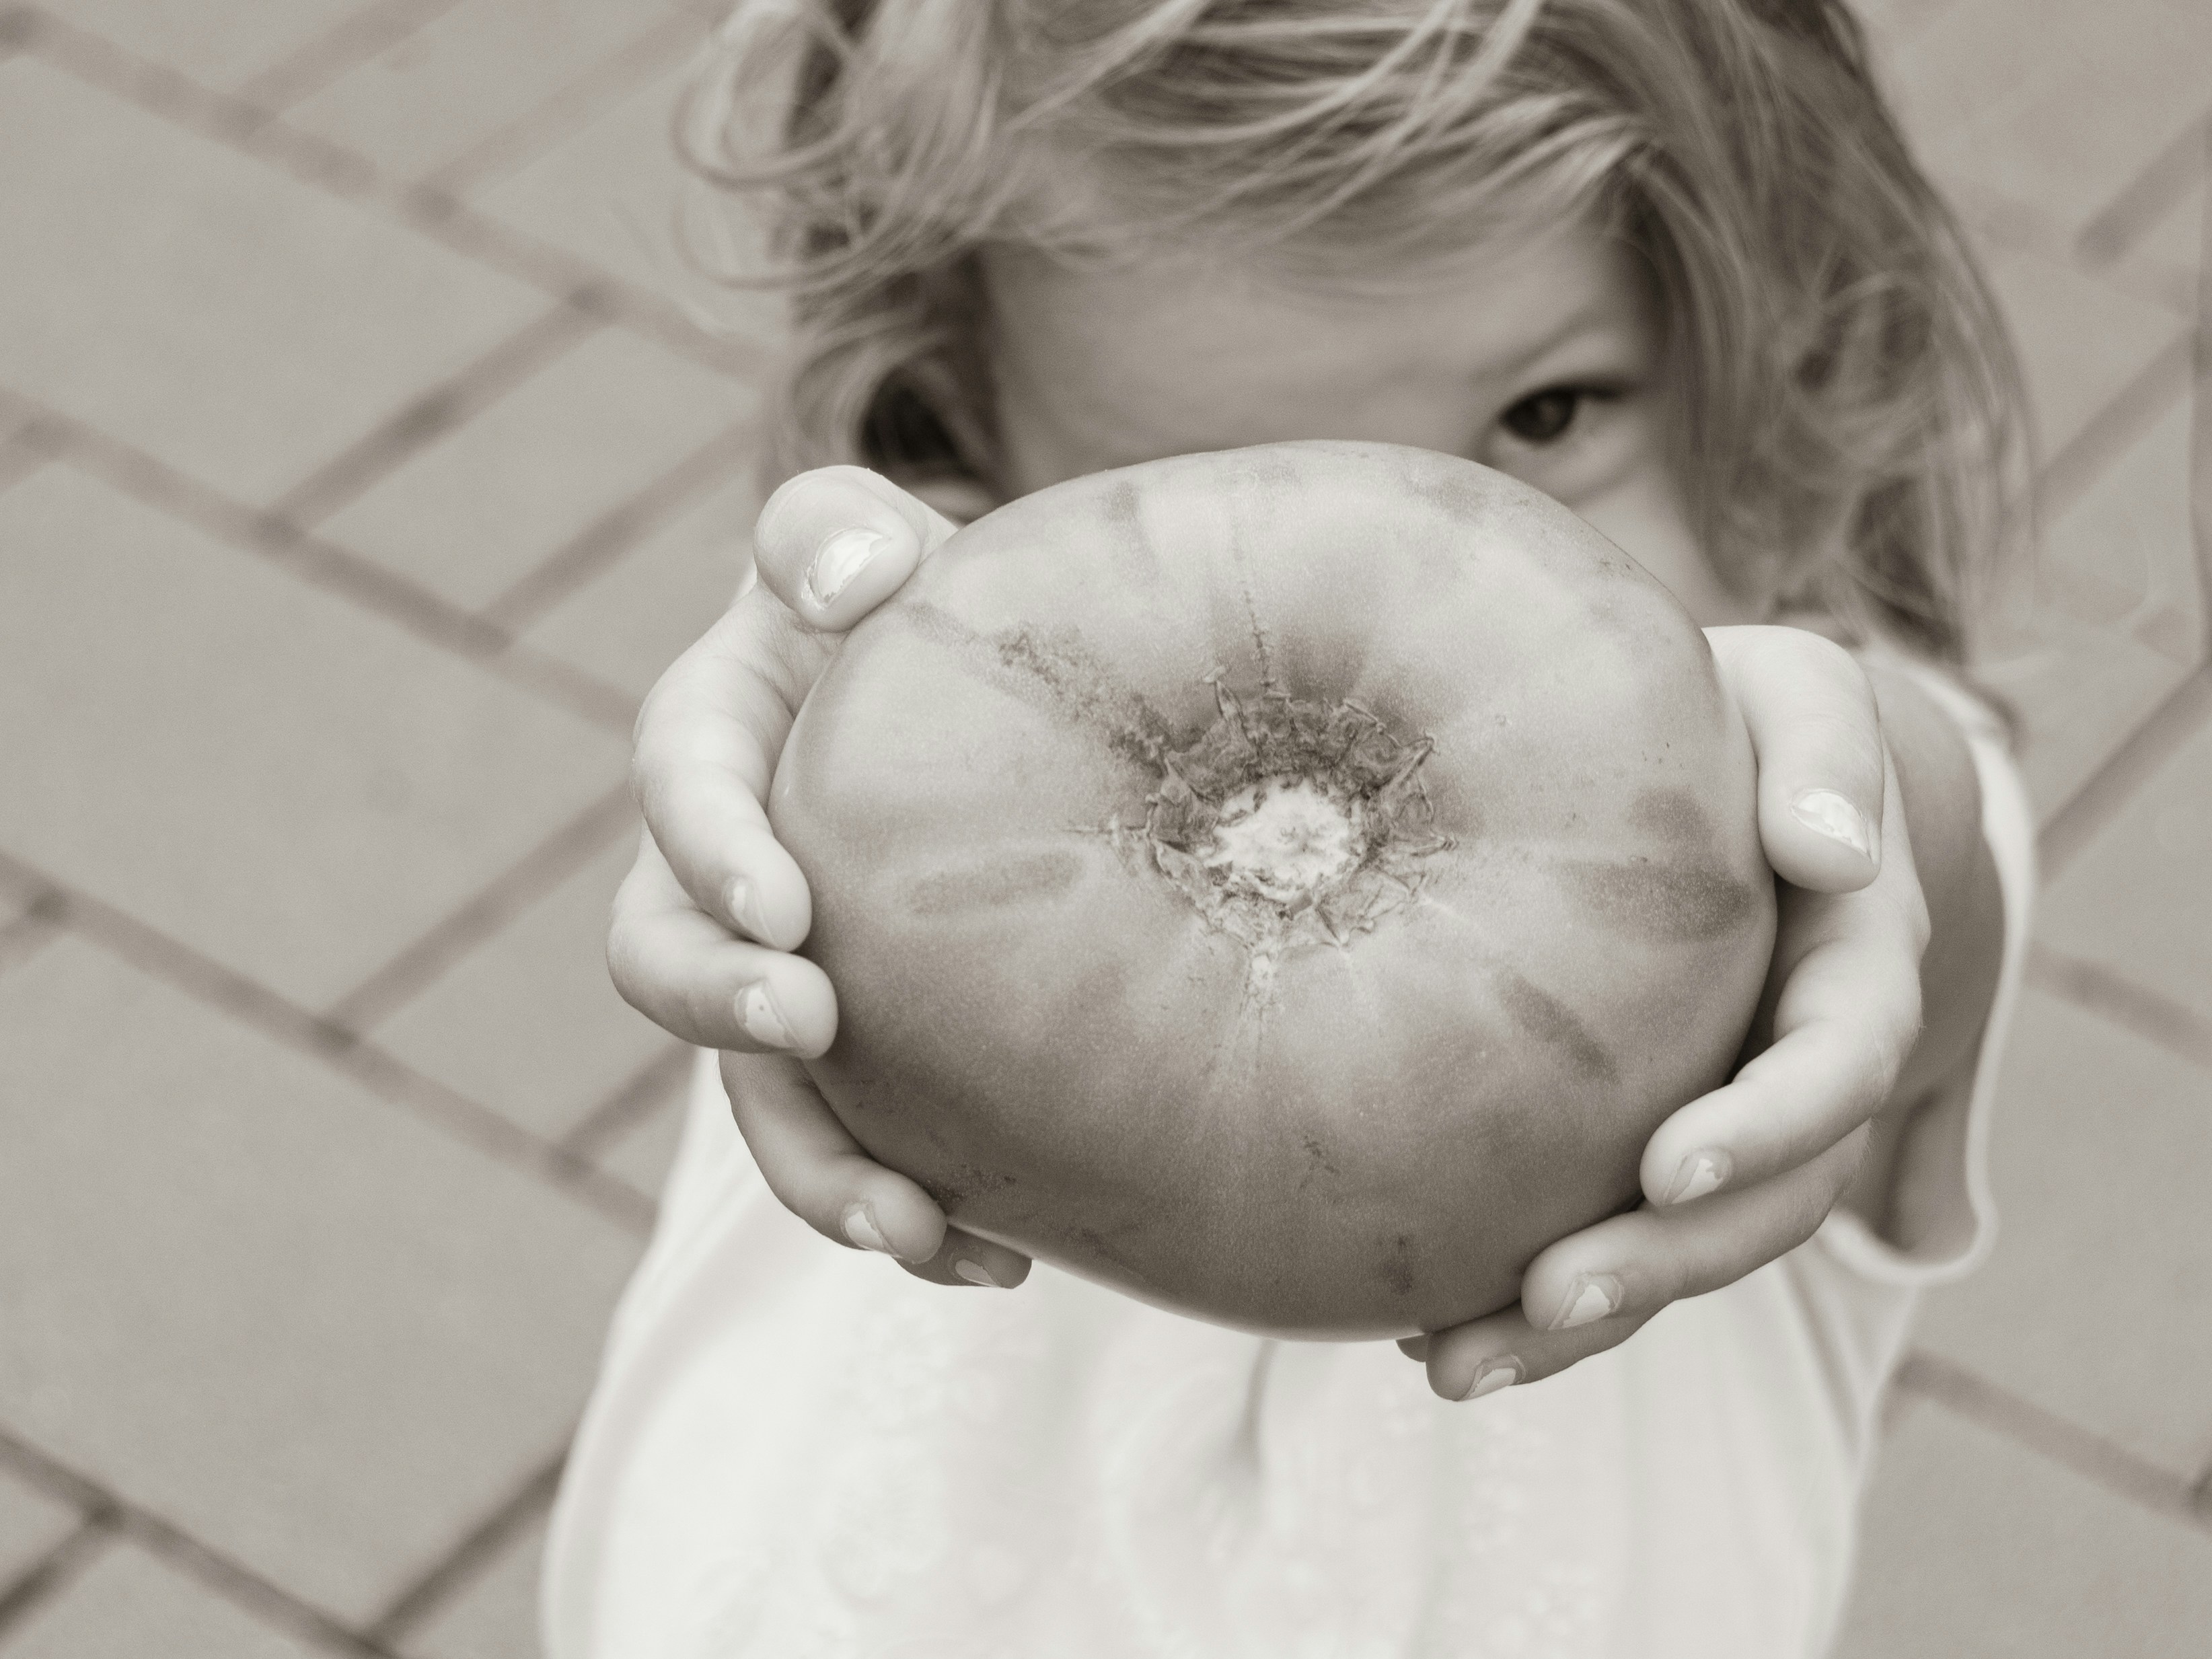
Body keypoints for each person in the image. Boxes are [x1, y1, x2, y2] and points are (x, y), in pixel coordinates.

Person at [545, 1, 2036, 1653]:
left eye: (1546, 420)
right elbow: (822, 781)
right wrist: (776, 810)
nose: (1423, 560)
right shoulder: (919, 768)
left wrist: (1864, 818)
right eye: (1242, 476)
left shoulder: (1802, 851)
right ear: (969, 451)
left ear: (1771, 324)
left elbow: (1912, 879)